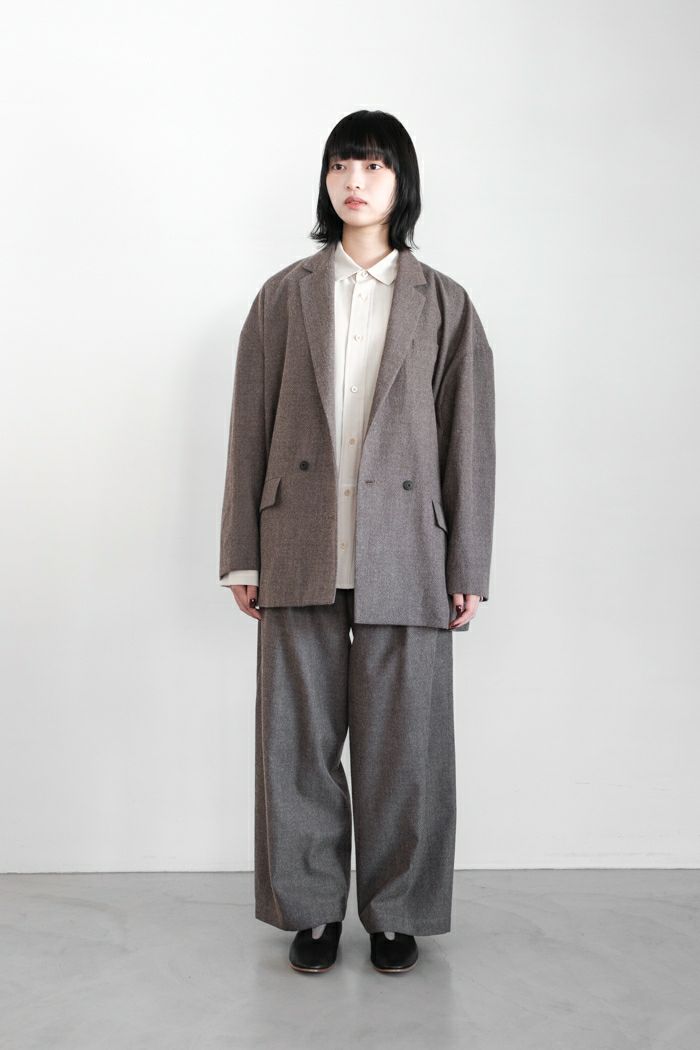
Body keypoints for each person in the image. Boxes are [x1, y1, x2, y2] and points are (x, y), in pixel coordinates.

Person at [219, 109, 496, 975]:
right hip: (298, 542)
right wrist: (241, 552)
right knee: (295, 742)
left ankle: (396, 911)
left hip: (407, 550)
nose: (355, 180)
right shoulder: (283, 296)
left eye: (374, 166)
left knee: (405, 745)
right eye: (342, 164)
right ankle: (310, 910)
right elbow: (249, 428)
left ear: (400, 183)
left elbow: (469, 442)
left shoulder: (444, 303)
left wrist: (467, 564)